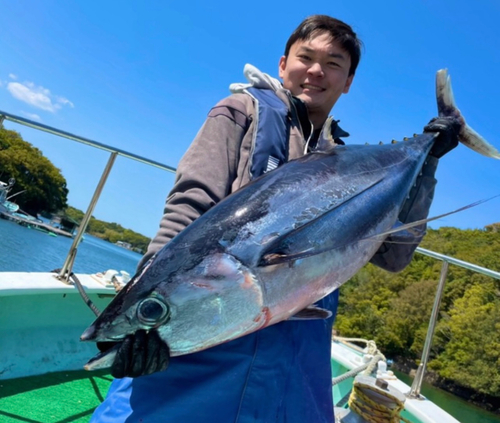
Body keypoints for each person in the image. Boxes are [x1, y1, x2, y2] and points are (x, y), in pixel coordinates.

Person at [90, 15, 459, 423]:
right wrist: (148, 308)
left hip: (295, 359)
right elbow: (189, 206)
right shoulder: (241, 112)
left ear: (348, 80)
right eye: (306, 57)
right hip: (203, 340)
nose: (316, 71)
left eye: (334, 63)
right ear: (283, 64)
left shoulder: (350, 162)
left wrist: (428, 163)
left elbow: (393, 258)